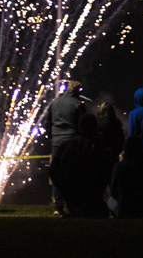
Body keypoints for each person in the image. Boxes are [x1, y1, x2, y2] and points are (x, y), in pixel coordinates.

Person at [50, 114, 109, 217]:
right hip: (92, 196)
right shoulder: (97, 146)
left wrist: (64, 188)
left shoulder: (66, 145)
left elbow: (54, 170)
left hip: (72, 196)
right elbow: (105, 171)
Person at [49, 82, 87, 215]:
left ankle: (57, 205)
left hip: (56, 141)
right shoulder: (77, 104)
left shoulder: (55, 103)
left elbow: (47, 122)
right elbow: (83, 124)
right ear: (76, 91)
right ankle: (73, 204)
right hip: (71, 140)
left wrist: (52, 136)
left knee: (57, 171)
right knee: (72, 172)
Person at [94, 101, 126, 176]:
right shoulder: (116, 123)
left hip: (100, 156)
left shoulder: (97, 122)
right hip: (113, 155)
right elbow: (121, 139)